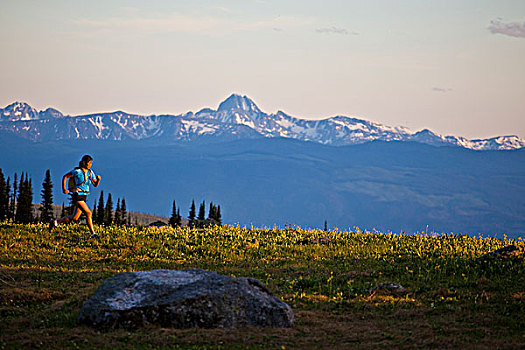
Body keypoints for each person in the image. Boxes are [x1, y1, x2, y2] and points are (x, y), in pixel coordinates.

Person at [49, 155, 102, 239]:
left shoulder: (90, 172)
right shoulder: (77, 171)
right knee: (88, 213)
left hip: (84, 196)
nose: (90, 164)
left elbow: (95, 184)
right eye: (89, 163)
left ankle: (55, 222)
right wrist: (64, 188)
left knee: (74, 218)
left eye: (91, 163)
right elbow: (65, 176)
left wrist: (98, 180)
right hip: (78, 195)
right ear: (85, 162)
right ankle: (93, 234)